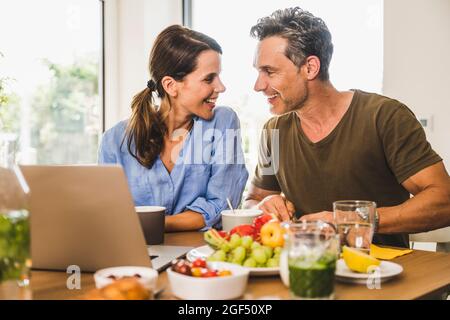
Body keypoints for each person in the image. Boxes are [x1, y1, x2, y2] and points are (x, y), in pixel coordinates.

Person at [244, 7, 450, 247]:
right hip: (305, 270)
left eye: (269, 71)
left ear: (310, 68)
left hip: (380, 274)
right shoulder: (274, 132)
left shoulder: (384, 117)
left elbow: (443, 200)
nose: (258, 85)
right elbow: (254, 199)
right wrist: (262, 207)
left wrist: (352, 221)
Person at [99, 25, 248, 232]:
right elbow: (109, 215)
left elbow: (220, 205)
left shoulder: (222, 122)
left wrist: (148, 223)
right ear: (171, 86)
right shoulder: (115, 140)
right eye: (208, 79)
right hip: (136, 256)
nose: (221, 87)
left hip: (199, 255)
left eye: (219, 76)